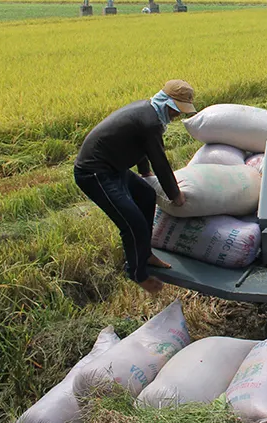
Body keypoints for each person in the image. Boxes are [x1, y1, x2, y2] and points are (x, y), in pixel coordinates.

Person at [74, 80, 197, 294]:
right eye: (177, 110)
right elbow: (160, 162)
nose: (178, 115)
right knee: (133, 223)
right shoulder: (150, 122)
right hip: (94, 173)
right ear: (167, 103)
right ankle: (137, 273)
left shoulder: (149, 112)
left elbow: (140, 144)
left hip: (115, 168)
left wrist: (143, 172)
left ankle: (145, 253)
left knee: (147, 195)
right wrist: (176, 195)